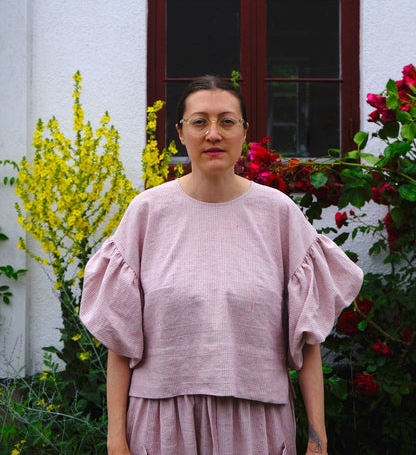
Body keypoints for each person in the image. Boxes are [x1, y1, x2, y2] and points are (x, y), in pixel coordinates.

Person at [80, 75, 363, 455]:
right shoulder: (147, 213)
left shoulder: (278, 215)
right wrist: (116, 440)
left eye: (227, 121)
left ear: (244, 132)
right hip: (162, 424)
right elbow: (120, 340)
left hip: (256, 423)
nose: (213, 134)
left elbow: (308, 340)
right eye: (199, 122)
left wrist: (318, 440)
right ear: (181, 133)